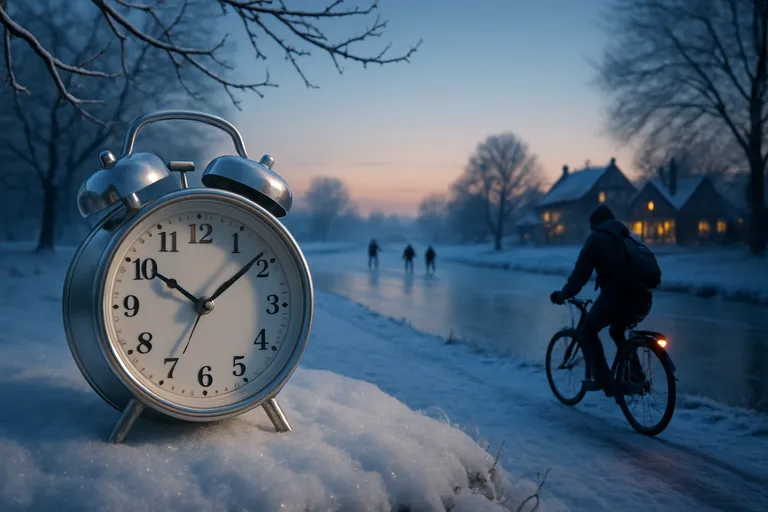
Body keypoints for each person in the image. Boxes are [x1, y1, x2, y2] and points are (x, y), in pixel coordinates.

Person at [549, 205, 652, 397]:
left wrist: (562, 295)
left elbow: (580, 275)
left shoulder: (597, 238)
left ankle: (605, 382)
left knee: (587, 332)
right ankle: (636, 376)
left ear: (595, 224)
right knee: (617, 330)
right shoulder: (627, 237)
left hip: (617, 297)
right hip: (643, 298)